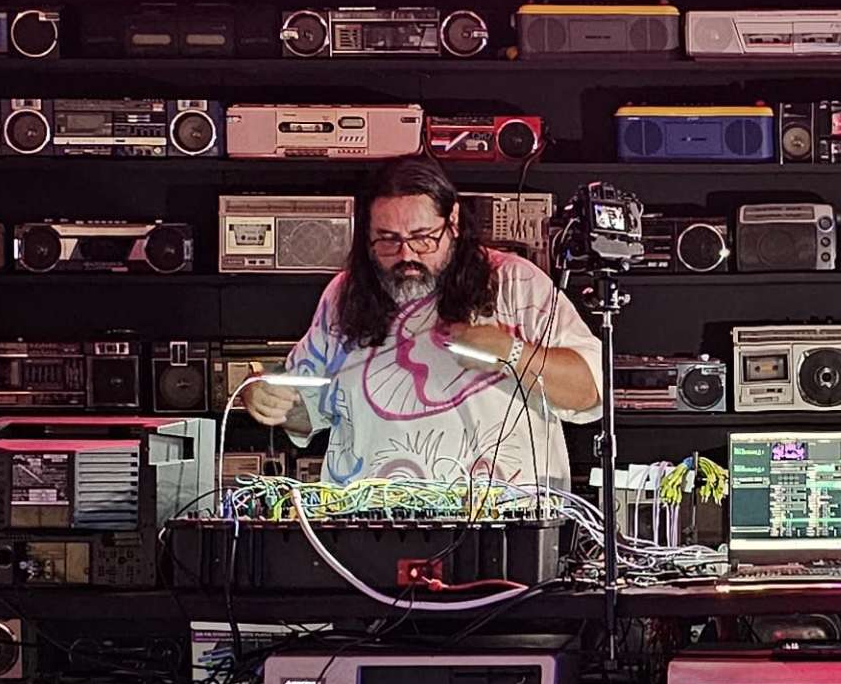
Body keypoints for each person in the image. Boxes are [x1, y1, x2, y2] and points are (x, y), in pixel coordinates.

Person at [246, 157, 604, 485]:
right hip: (373, 524)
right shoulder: (346, 294)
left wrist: (511, 352)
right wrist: (263, 395)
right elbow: (305, 412)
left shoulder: (514, 282)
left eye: (422, 238)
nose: (407, 255)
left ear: (454, 223)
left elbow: (589, 390)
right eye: (387, 240)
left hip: (502, 526)